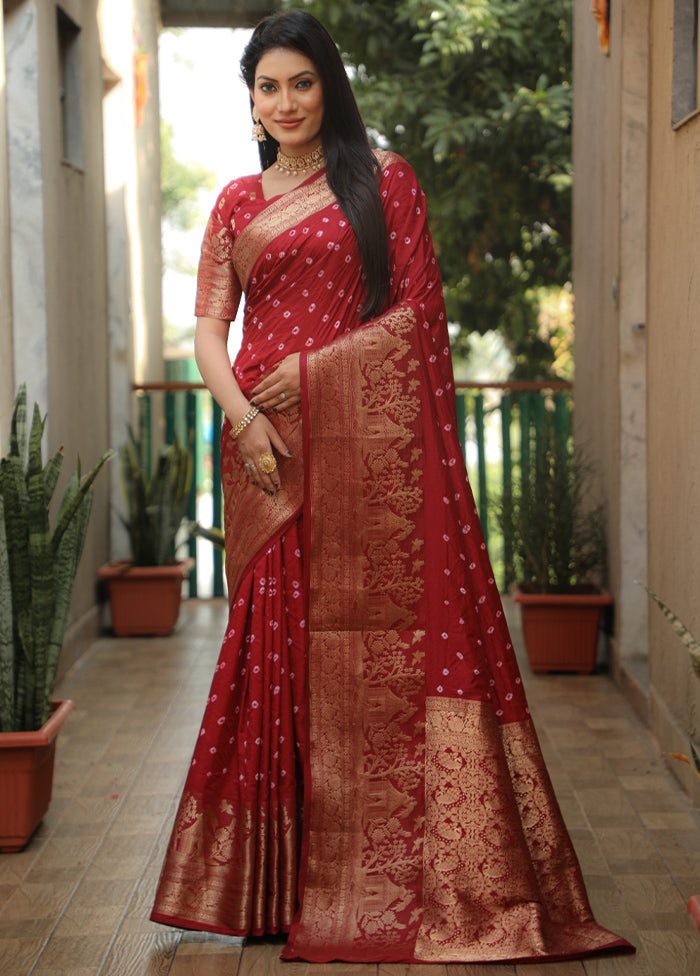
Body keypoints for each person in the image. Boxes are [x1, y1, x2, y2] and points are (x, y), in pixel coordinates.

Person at [151, 9, 633, 965]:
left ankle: (381, 879)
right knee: (274, 649)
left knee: (375, 657)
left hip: (367, 457)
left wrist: (320, 371)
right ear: (249, 99)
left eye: (301, 82)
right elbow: (211, 327)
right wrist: (245, 418)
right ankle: (274, 884)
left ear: (329, 85)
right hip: (266, 453)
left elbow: (419, 319)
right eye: (267, 86)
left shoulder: (384, 184)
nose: (285, 102)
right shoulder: (236, 205)